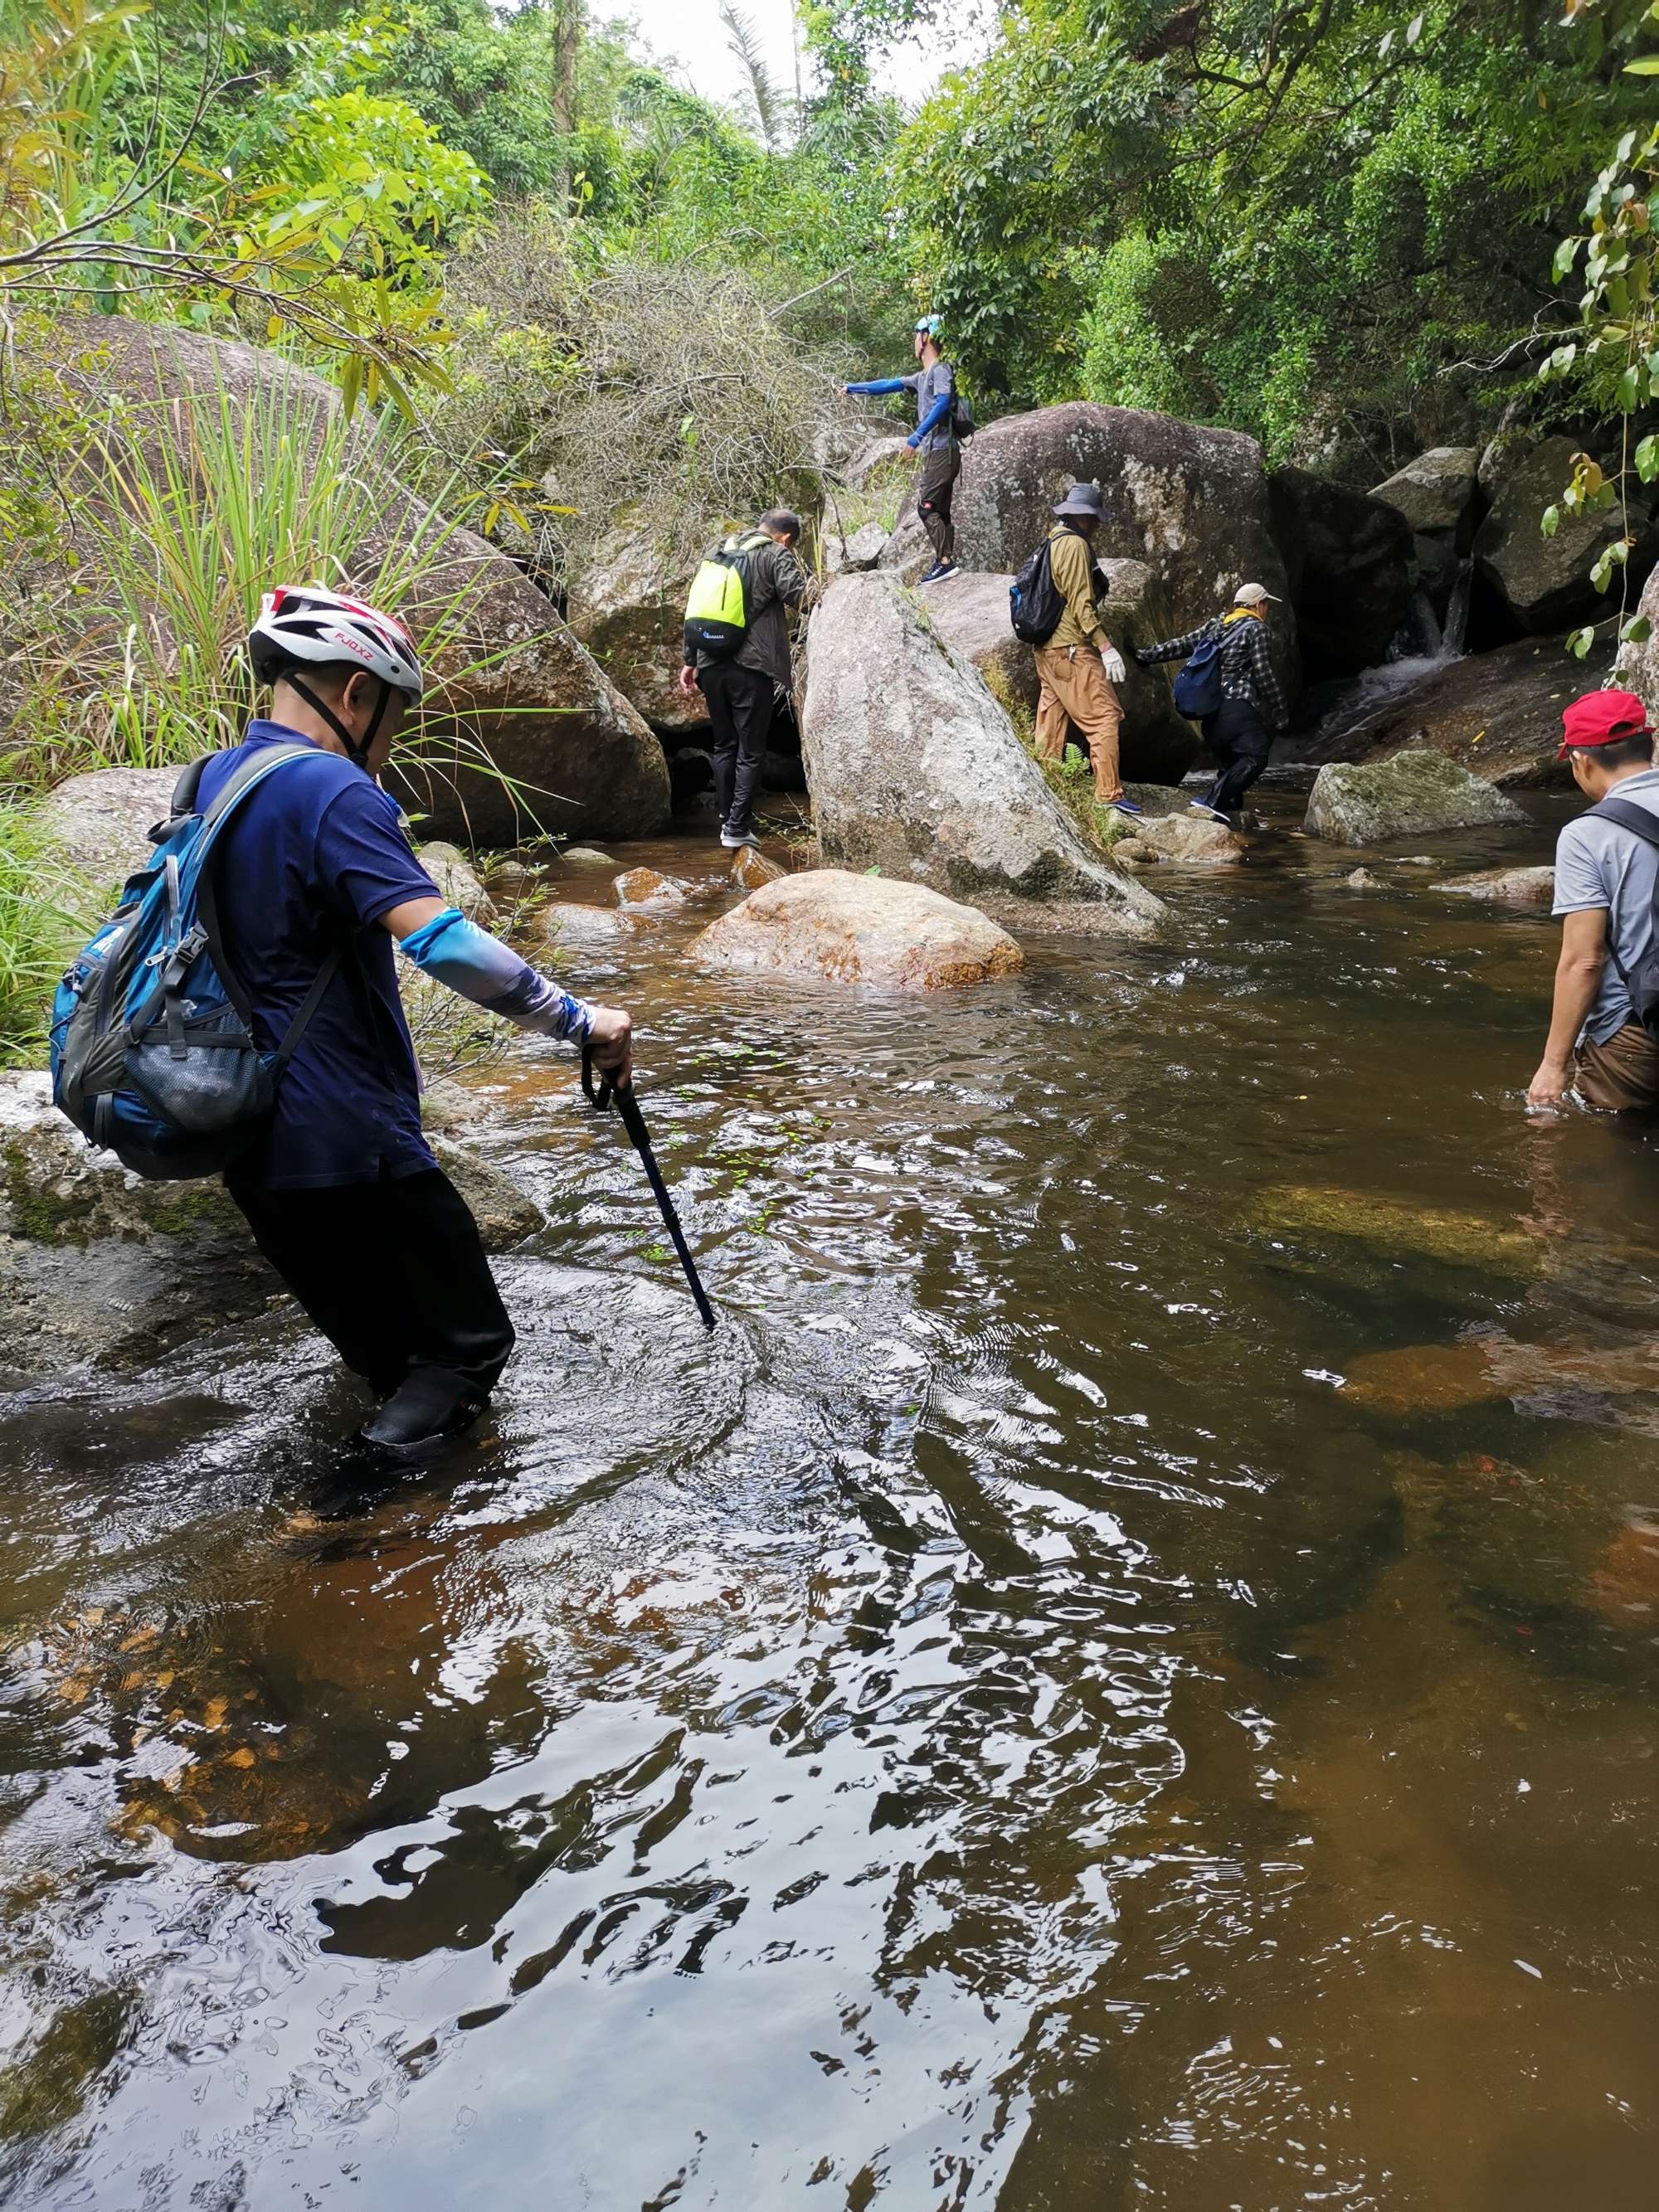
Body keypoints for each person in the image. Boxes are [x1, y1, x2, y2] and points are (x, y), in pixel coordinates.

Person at [211, 584, 634, 1457]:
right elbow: (441, 943)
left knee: (387, 1361)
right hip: (346, 1137)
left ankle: (364, 1541)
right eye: (394, 717)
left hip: (244, 1139)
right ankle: (335, 1536)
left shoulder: (211, 781)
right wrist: (579, 1019)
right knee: (461, 1352)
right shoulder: (330, 791)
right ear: (356, 695)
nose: (389, 742)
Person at [1528, 687, 1659, 1114]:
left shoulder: (1587, 835)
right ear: (1650, 742)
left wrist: (1553, 1065)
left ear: (1580, 761)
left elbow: (1583, 960)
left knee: (1606, 1164)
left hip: (1637, 1036)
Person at [678, 509, 810, 853]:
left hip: (710, 663)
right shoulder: (775, 553)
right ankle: (737, 827)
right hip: (750, 666)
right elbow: (801, 597)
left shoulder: (719, 549)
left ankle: (726, 821)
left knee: (724, 745)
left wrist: (690, 661)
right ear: (785, 538)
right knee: (751, 750)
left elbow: (696, 607)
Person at [1134, 582, 1289, 822]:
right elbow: (1264, 672)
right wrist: (1280, 710)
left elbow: (1183, 644)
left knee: (1230, 769)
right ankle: (1209, 801)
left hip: (1211, 713)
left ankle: (1229, 822)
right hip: (1237, 707)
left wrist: (1146, 655)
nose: (1267, 609)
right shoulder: (1256, 629)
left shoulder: (1218, 624)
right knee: (1254, 758)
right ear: (1258, 605)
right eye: (1266, 604)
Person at [1028, 482, 1136, 815]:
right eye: (1095, 519)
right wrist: (1105, 646)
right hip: (1072, 648)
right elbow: (1081, 603)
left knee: (1053, 719)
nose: (1097, 526)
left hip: (1046, 651)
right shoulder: (1074, 546)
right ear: (1085, 518)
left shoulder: (1052, 539)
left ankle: (1046, 790)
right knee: (1105, 718)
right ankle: (1109, 795)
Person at [844, 315, 961, 584]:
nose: (913, 340)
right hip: (939, 451)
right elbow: (888, 385)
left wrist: (915, 437)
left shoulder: (941, 370)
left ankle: (945, 562)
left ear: (926, 337)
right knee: (940, 510)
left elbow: (943, 403)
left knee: (927, 507)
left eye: (916, 335)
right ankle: (945, 562)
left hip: (943, 450)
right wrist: (852, 388)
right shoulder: (922, 377)